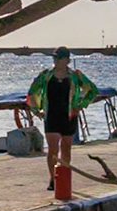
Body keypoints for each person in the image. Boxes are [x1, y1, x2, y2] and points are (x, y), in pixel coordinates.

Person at [27, 47, 100, 190]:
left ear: (67, 60)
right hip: (51, 115)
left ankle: (63, 177)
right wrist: (37, 110)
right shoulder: (46, 75)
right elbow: (32, 92)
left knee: (66, 149)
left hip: (69, 116)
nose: (56, 60)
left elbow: (92, 90)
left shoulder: (75, 76)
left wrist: (81, 105)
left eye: (59, 58)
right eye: (54, 58)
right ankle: (53, 178)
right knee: (52, 150)